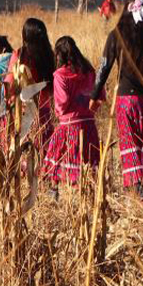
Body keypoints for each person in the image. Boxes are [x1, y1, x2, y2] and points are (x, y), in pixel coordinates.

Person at [92, 0, 143, 196]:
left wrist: (94, 95)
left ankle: (137, 187)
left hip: (126, 101)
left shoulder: (115, 35)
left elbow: (104, 68)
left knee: (130, 143)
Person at [41, 36, 101, 187]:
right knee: (89, 164)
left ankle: (56, 192)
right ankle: (88, 192)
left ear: (59, 55)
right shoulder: (89, 71)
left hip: (69, 125)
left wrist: (60, 114)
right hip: (89, 125)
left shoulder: (60, 75)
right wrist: (89, 111)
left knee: (56, 161)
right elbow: (99, 96)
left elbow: (61, 104)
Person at [3, 18, 56, 149]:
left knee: (23, 153)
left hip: (22, 111)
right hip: (44, 111)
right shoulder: (50, 56)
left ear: (25, 35)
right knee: (42, 151)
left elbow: (10, 85)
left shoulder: (20, 55)